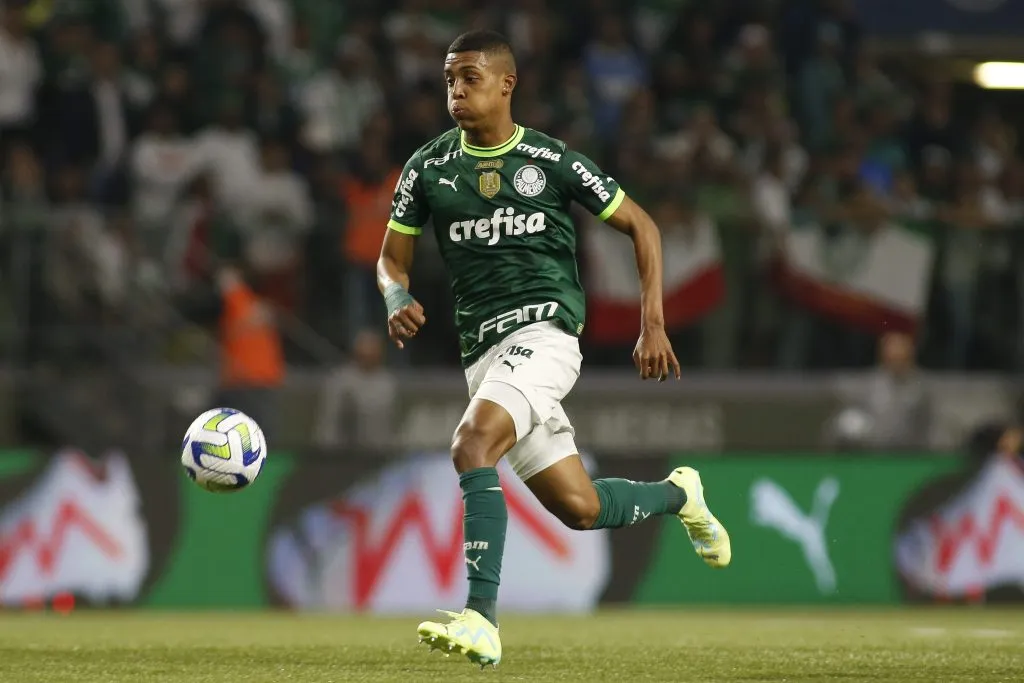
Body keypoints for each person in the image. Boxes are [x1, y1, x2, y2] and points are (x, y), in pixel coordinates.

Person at [376, 31, 731, 668]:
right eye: (450, 79)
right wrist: (394, 297)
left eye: (471, 78)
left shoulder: (553, 160)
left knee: (470, 445)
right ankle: (682, 495)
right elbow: (389, 261)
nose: (457, 90)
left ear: (506, 84)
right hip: (482, 353)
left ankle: (481, 617)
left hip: (545, 337)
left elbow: (641, 225)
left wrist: (653, 322)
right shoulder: (427, 168)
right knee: (580, 507)